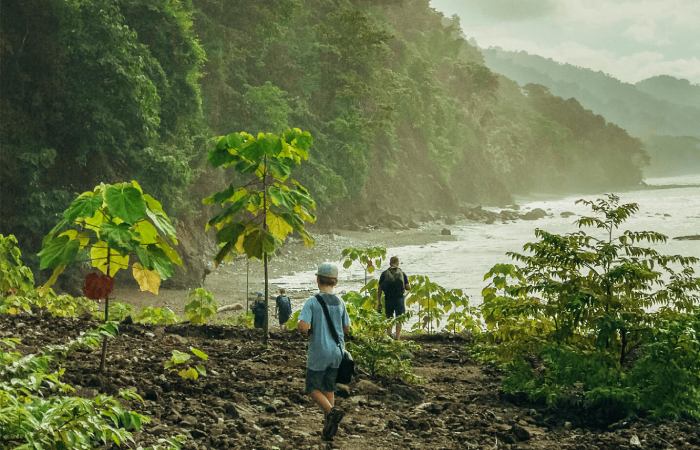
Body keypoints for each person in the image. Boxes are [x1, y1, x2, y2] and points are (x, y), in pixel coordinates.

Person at [297, 262, 350, 441]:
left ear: (318, 280)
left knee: (312, 387)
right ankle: (329, 426)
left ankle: (331, 412)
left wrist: (309, 331)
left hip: (319, 350)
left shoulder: (312, 302)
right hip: (337, 351)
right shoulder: (341, 302)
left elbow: (303, 326)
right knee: (328, 386)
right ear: (335, 282)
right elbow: (347, 328)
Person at [377, 256, 410, 339]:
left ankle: (389, 336)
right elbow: (408, 287)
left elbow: (380, 289)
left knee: (389, 318)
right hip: (399, 299)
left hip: (388, 299)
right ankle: (397, 337)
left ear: (390, 263)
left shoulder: (384, 273)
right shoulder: (402, 273)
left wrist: (379, 301)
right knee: (399, 318)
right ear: (398, 263)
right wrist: (404, 296)